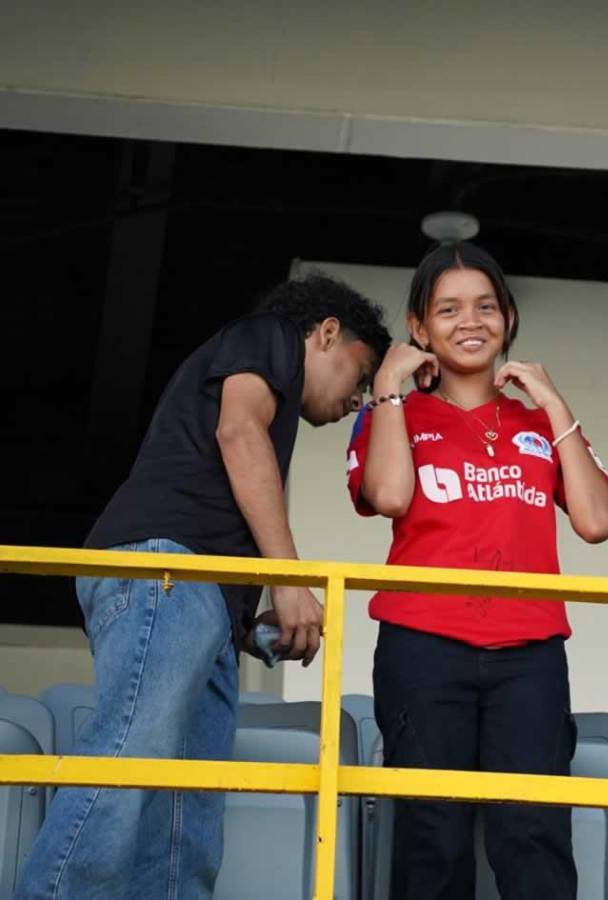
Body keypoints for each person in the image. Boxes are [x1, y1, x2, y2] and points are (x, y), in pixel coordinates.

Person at [17, 273, 391, 900]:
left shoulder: (273, 377)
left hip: (196, 594)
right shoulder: (267, 336)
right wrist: (290, 580)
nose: (360, 398)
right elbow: (238, 432)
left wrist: (247, 625)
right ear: (327, 333)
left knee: (187, 809)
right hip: (165, 572)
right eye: (362, 374)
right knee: (130, 757)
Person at [347, 241, 608, 900]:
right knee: (432, 836)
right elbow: (387, 496)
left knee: (533, 835)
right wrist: (387, 386)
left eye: (486, 307)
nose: (470, 322)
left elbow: (597, 520)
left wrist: (554, 404)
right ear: (419, 327)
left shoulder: (539, 422)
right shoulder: (395, 414)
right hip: (423, 646)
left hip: (529, 651)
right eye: (448, 309)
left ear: (510, 317)